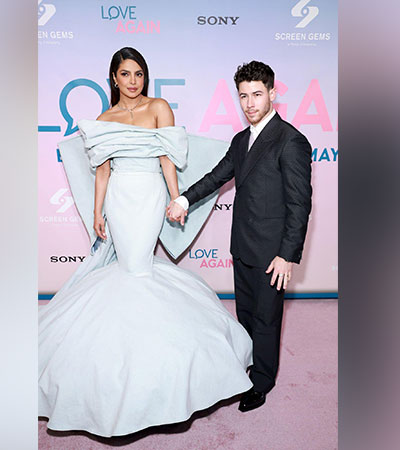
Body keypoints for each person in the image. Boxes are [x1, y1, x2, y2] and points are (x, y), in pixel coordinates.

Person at [38, 47, 253, 437]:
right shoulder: (105, 118)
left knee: (139, 266)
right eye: (125, 74)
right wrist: (97, 212)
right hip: (119, 195)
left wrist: (175, 197)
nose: (133, 81)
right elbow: (102, 172)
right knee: (130, 269)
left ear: (144, 77)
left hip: (150, 193)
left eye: (138, 73)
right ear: (114, 78)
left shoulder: (159, 108)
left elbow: (168, 158)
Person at [167, 61, 312, 412]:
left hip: (272, 253)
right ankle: (248, 366)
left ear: (272, 94)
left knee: (266, 319)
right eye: (243, 96)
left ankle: (261, 383)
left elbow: (299, 203)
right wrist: (185, 198)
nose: (249, 103)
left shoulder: (291, 141)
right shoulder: (240, 140)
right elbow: (217, 176)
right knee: (246, 316)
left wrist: (287, 254)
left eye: (257, 95)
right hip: (244, 245)